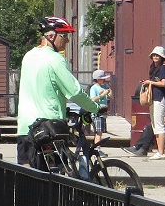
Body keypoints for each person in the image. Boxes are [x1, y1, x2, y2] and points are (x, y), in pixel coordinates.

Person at [16, 17, 99, 166]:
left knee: (26, 180)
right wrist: (94, 108)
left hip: (25, 128)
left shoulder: (28, 56)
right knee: (55, 183)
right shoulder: (55, 59)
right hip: (48, 128)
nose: (67, 41)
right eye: (64, 36)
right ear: (51, 36)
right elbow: (74, 92)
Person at [140, 46, 165, 159]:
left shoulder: (163, 68)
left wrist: (151, 82)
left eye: (157, 55)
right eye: (154, 55)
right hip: (153, 98)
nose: (155, 56)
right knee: (155, 125)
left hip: (160, 98)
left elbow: (164, 83)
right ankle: (159, 151)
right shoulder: (153, 68)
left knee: (159, 125)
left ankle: (161, 152)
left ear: (162, 57)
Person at [89, 69, 112, 148]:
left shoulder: (105, 87)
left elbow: (111, 96)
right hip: (97, 113)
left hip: (103, 113)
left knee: (100, 132)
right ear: (98, 79)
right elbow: (92, 100)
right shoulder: (94, 88)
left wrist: (109, 91)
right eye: (103, 78)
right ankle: (97, 149)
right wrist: (102, 95)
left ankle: (97, 148)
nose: (104, 80)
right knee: (99, 132)